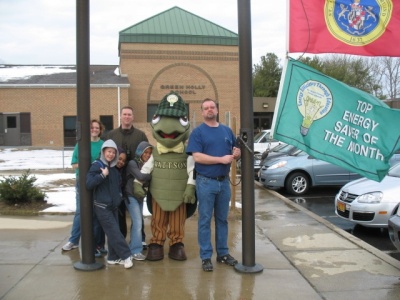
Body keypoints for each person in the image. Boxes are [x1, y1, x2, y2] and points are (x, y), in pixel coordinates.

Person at [186, 98, 241, 272]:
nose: (209, 110)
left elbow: (235, 151)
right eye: (206, 108)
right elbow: (197, 157)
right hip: (205, 182)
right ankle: (206, 256)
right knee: (204, 220)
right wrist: (220, 159)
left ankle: (223, 253)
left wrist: (236, 153)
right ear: (202, 112)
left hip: (224, 182)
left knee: (222, 220)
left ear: (217, 110)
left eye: (212, 107)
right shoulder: (198, 133)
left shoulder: (227, 131)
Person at [86, 139, 133, 269]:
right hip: (102, 206)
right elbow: (89, 184)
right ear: (103, 151)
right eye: (108, 151)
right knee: (114, 232)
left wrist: (118, 198)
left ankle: (113, 257)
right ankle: (126, 255)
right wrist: (102, 175)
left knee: (114, 231)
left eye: (113, 152)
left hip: (113, 206)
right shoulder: (97, 165)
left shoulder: (114, 168)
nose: (111, 154)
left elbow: (116, 187)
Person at [62, 119, 106, 257]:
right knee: (81, 212)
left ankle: (98, 244)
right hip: (82, 182)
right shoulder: (81, 144)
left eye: (97, 128)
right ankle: (73, 240)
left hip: (97, 182)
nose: (94, 130)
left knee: (96, 214)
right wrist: (88, 166)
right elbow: (74, 164)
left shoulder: (103, 145)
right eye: (92, 127)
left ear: (100, 130)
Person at [103, 106, 148, 239]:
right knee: (119, 210)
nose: (127, 117)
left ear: (133, 117)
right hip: (116, 178)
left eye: (129, 114)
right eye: (125, 114)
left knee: (137, 211)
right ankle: (120, 237)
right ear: (120, 116)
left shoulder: (140, 135)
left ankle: (141, 238)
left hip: (134, 179)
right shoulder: (111, 135)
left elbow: (146, 155)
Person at [125, 141, 153, 260]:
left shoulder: (147, 164)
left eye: (150, 153)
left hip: (140, 197)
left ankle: (135, 243)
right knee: (137, 223)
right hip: (130, 196)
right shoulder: (133, 163)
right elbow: (141, 177)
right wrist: (151, 175)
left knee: (137, 222)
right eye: (145, 152)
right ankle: (135, 250)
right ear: (140, 152)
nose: (147, 155)